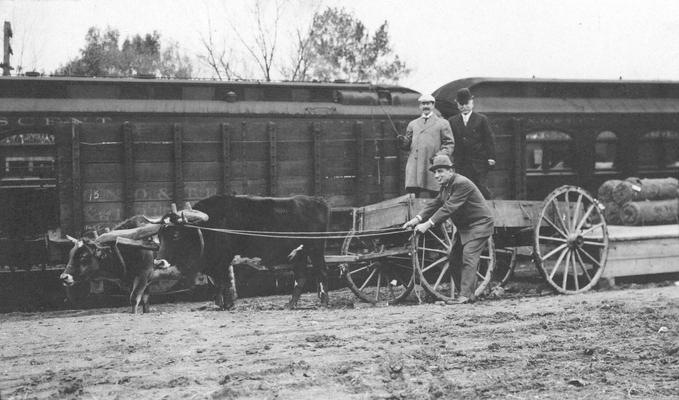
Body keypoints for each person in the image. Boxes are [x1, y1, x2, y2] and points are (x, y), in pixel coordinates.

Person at [402, 154, 494, 304]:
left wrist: (427, 224)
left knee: (469, 256)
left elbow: (448, 208)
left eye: (441, 171)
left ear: (451, 170)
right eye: (435, 172)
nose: (437, 176)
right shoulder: (446, 187)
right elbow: (434, 204)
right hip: (465, 227)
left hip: (480, 224)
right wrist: (416, 219)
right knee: (454, 258)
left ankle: (465, 296)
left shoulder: (461, 183)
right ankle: (466, 295)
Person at [398, 93, 455, 198]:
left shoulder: (442, 123)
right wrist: (403, 142)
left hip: (432, 166)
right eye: (423, 104)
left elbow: (449, 144)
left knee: (436, 195)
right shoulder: (413, 124)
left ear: (433, 105)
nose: (426, 106)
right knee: (414, 195)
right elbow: (407, 145)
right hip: (414, 167)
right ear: (420, 106)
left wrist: (438, 157)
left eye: (428, 104)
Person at [447, 88, 496, 199]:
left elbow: (489, 139)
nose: (464, 106)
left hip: (478, 162)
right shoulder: (452, 121)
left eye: (466, 103)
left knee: (480, 187)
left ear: (472, 103)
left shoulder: (481, 119)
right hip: (461, 162)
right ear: (457, 105)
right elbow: (450, 140)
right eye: (461, 104)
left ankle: (487, 211)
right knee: (461, 188)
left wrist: (491, 157)